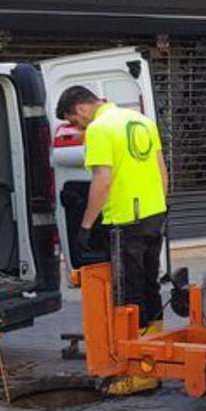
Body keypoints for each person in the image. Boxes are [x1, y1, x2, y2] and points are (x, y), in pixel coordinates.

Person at [56, 86, 169, 335]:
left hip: (125, 219)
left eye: (74, 121)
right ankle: (157, 342)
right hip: (154, 214)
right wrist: (160, 206)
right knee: (151, 284)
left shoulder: (99, 129)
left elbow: (103, 181)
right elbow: (162, 170)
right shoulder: (142, 121)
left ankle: (139, 365)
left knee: (129, 289)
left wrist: (86, 226)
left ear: (81, 108)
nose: (78, 127)